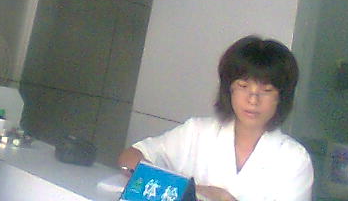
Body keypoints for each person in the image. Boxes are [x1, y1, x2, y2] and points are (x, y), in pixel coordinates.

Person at [118, 35, 313, 201]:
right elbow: (131, 157)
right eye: (243, 86)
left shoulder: (294, 159)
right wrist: (193, 192)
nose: (253, 100)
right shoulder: (198, 132)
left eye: (266, 90)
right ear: (229, 89)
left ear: (282, 97)